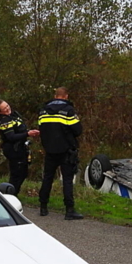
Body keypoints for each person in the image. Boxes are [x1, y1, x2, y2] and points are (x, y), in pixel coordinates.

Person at [37, 87, 83, 220]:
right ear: (66, 96)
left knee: (47, 178)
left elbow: (41, 128)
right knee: (67, 180)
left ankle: (43, 207)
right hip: (66, 150)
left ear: (55, 95)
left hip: (49, 150)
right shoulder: (68, 111)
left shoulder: (43, 111)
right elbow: (78, 130)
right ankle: (69, 210)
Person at [0, 99, 39, 194]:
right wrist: (28, 134)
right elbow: (11, 137)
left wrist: (29, 132)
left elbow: (20, 129)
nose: (7, 108)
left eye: (7, 105)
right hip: (13, 150)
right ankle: (9, 196)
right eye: (4, 108)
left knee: (23, 173)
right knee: (17, 175)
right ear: (0, 112)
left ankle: (12, 194)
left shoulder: (13, 116)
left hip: (21, 148)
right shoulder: (4, 120)